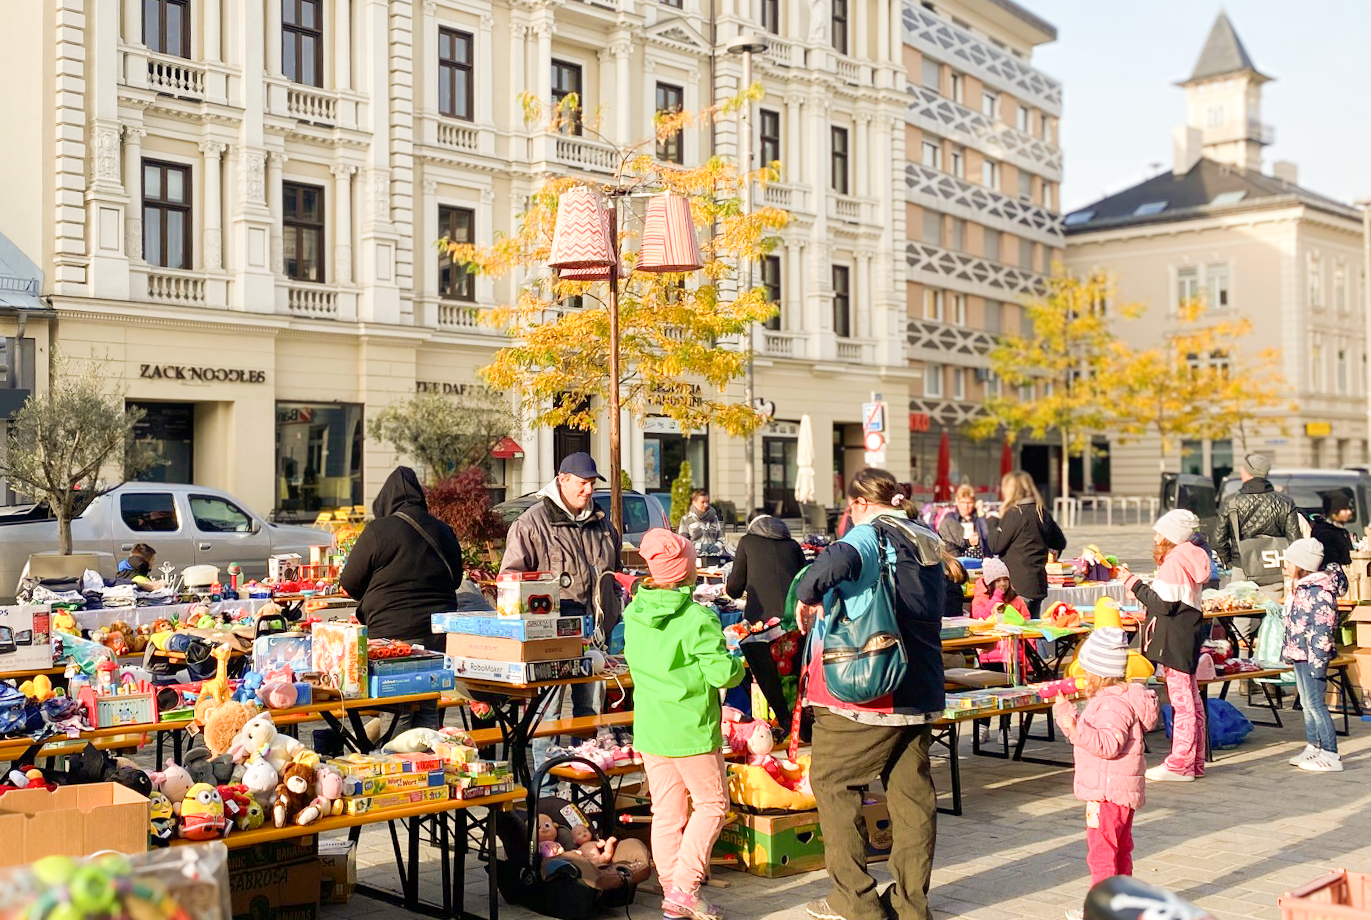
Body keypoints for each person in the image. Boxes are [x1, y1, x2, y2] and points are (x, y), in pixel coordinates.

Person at [795, 469, 945, 920]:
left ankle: (855, 902)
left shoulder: (866, 535)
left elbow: (822, 571)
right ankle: (910, 905)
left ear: (859, 504)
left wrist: (807, 597)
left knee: (833, 782)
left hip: (871, 687)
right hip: (921, 685)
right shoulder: (926, 536)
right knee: (912, 797)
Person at [623, 529, 743, 920]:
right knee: (712, 805)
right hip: (690, 728)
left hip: (652, 728)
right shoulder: (697, 618)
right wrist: (736, 658)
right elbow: (723, 674)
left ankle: (673, 891)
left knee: (667, 813)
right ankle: (685, 887)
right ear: (688, 571)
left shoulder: (634, 611)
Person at [340, 466, 463, 731]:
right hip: (437, 635)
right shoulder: (444, 531)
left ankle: (399, 769)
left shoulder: (379, 530)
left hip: (392, 637)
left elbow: (349, 583)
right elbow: (456, 580)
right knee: (428, 706)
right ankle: (429, 766)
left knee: (398, 712)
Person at [502, 451, 622, 722]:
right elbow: (511, 581)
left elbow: (615, 575)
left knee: (590, 711)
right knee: (547, 712)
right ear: (562, 480)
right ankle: (546, 764)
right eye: (583, 482)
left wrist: (613, 610)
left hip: (596, 633)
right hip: (550, 636)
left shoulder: (603, 524)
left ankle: (585, 759)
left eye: (593, 482)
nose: (589, 489)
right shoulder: (531, 523)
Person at [1052, 627, 1159, 891]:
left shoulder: (1111, 705)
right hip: (1119, 792)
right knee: (1120, 851)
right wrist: (1066, 713)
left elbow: (1108, 744)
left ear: (1098, 676)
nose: (1083, 678)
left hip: (1107, 793)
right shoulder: (1121, 698)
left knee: (1102, 854)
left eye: (1086, 672)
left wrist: (1076, 729)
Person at [1122, 510, 1210, 783]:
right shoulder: (1190, 556)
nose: (1155, 536)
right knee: (1191, 699)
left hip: (1175, 636)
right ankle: (1194, 760)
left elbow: (1164, 603)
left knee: (1182, 701)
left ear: (1170, 535)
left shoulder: (1175, 561)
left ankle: (1180, 763)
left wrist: (1133, 583)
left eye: (1159, 532)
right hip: (1187, 632)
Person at [725, 515, 808, 733]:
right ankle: (796, 721)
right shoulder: (792, 546)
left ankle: (769, 723)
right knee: (792, 674)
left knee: (764, 674)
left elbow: (734, 587)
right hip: (793, 620)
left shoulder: (747, 542)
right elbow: (805, 581)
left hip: (760, 623)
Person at [1281, 538, 1343, 772]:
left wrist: (1318, 660)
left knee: (1316, 704)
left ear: (1301, 564)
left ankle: (1330, 752)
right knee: (1307, 703)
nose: (1285, 565)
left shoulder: (1320, 591)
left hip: (1312, 657)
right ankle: (1313, 746)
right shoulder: (1302, 588)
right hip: (1300, 653)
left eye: (1288, 561)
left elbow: (1323, 628)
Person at [1211, 454, 1302, 588]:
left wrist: (1231, 561)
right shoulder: (1286, 502)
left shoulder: (1232, 502)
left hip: (1242, 568)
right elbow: (1295, 540)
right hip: (1276, 568)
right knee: (1275, 607)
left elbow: (1218, 540)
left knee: (1243, 606)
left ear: (1248, 471)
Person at [987, 471, 1066, 618]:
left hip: (1018, 586)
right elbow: (1060, 542)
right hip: (1038, 583)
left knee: (1019, 633)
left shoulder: (1016, 514)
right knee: (1032, 632)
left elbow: (995, 546)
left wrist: (992, 522)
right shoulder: (1041, 512)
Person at [968, 557, 1030, 675]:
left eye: (1005, 579)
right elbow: (981, 619)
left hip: (1015, 655)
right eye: (998, 580)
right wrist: (997, 597)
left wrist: (1029, 660)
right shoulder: (979, 601)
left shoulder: (1016, 600)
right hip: (990, 655)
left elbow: (1026, 623)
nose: (1003, 584)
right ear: (990, 583)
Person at [937, 485, 990, 558]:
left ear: (974, 502)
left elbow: (987, 536)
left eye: (969, 503)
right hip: (959, 560)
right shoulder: (950, 519)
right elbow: (951, 545)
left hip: (979, 560)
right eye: (963, 502)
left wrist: (980, 512)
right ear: (957, 501)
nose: (966, 506)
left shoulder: (978, 519)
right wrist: (968, 542)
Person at [1310, 490, 1355, 576]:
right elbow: (1331, 561)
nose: (1349, 512)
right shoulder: (1323, 532)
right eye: (1344, 509)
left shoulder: (1341, 530)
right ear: (1334, 511)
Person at [678, 489, 725, 565]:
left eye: (707, 502)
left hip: (714, 560)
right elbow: (684, 544)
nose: (706, 505)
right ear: (694, 502)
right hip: (695, 561)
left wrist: (717, 546)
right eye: (702, 502)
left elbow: (720, 538)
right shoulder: (686, 519)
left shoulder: (714, 518)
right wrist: (701, 547)